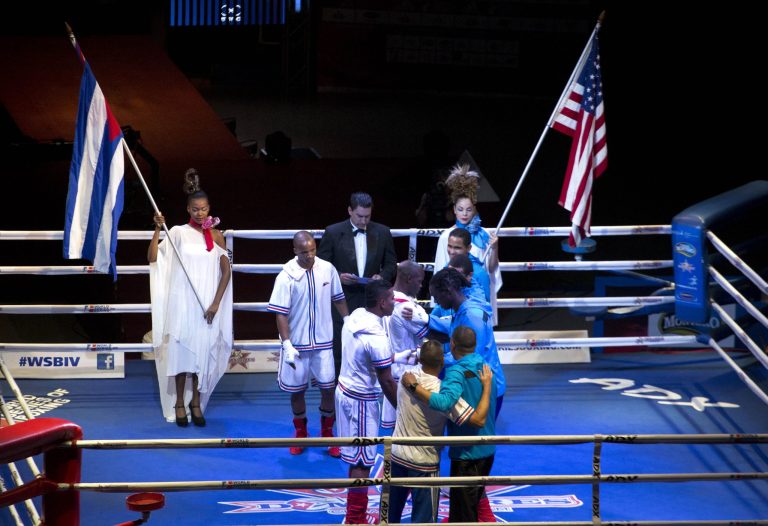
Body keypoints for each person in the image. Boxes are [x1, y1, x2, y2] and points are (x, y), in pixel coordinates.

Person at [148, 168, 233, 427]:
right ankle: (178, 405)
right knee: (182, 356)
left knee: (201, 357)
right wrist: (156, 229)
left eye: (204, 208)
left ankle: (196, 403)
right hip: (183, 305)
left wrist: (216, 303)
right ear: (188, 209)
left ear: (209, 208)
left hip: (206, 306)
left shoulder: (217, 235)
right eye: (195, 209)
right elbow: (153, 257)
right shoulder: (177, 233)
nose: (200, 213)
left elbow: (226, 271)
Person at [389, 339, 493, 524]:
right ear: (442, 362)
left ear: (420, 359)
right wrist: (487, 387)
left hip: (396, 455)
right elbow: (478, 419)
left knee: (389, 517)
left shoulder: (405, 377)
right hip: (423, 463)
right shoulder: (442, 392)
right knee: (424, 521)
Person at [267, 231, 350, 457]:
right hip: (297, 345)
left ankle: (327, 432)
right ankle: (301, 433)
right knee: (297, 391)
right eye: (305, 252)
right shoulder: (286, 276)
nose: (310, 255)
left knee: (327, 388)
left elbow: (338, 297)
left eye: (313, 250)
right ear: (295, 251)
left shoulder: (327, 269)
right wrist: (287, 344)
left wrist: (348, 321)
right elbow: (280, 314)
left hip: (323, 342)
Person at [335, 280, 398, 525]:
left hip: (346, 391)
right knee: (362, 460)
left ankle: (354, 514)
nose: (394, 301)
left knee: (355, 456)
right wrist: (401, 410)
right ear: (382, 303)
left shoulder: (356, 317)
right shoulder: (376, 336)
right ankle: (356, 518)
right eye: (391, 298)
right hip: (361, 401)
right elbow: (386, 380)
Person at [318, 192, 398, 376]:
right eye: (359, 216)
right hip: (342, 298)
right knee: (341, 343)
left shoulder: (383, 232)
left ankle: (376, 383)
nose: (363, 221)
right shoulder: (333, 232)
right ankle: (339, 385)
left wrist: (382, 277)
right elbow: (321, 266)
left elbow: (391, 263)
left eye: (367, 216)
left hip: (372, 298)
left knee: (373, 342)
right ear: (349, 211)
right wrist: (339, 276)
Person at [428, 268, 505, 416]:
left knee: (480, 436)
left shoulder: (472, 316)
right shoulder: (462, 310)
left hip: (484, 385)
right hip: (473, 382)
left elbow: (470, 356)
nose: (435, 301)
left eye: (436, 296)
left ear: (448, 291)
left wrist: (434, 360)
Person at [434, 163, 502, 325]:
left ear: (475, 210)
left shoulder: (484, 235)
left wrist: (495, 248)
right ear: (454, 210)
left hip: (479, 293)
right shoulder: (446, 237)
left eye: (469, 209)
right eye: (460, 209)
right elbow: (440, 271)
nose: (464, 214)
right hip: (455, 294)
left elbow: (491, 270)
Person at [381, 260, 429, 431]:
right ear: (409, 279)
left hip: (390, 369)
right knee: (409, 428)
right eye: (419, 281)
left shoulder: (385, 298)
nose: (421, 285)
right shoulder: (406, 307)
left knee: (392, 429)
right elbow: (434, 333)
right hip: (407, 374)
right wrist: (425, 316)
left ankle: (389, 458)